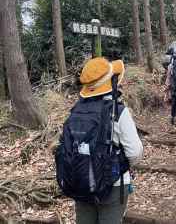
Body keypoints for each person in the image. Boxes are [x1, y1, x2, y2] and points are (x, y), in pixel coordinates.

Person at [55, 57, 143, 224]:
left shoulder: (76, 111)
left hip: (80, 182)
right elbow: (135, 152)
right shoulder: (117, 111)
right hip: (113, 184)